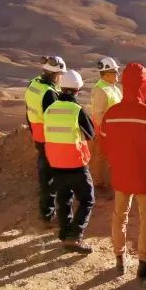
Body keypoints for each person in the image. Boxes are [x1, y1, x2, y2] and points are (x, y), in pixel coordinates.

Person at [99, 63, 146, 278]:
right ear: (145, 85)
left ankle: (119, 258)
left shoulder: (111, 114)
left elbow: (105, 147)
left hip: (121, 176)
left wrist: (119, 163)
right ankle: (144, 262)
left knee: (120, 216)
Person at [44, 70, 98, 254]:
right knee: (87, 200)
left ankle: (64, 234)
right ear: (77, 90)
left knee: (64, 200)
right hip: (76, 164)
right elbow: (91, 134)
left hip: (56, 164)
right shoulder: (77, 110)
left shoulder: (50, 109)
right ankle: (74, 237)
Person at [25, 56, 66, 230]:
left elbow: (28, 111)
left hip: (38, 135)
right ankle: (47, 215)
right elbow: (53, 119)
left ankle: (46, 211)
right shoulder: (49, 93)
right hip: (49, 139)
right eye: (60, 74)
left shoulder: (33, 84)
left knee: (44, 174)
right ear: (55, 75)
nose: (61, 77)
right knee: (50, 178)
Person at [91, 57, 122, 198]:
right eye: (115, 72)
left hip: (114, 132)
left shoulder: (112, 88)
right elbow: (98, 115)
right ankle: (98, 185)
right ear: (108, 74)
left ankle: (109, 184)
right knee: (101, 158)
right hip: (105, 133)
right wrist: (107, 132)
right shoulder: (101, 91)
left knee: (111, 159)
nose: (117, 74)